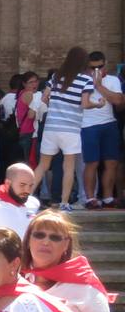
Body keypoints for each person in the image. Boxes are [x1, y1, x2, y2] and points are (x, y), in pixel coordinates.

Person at [33, 47, 90, 212]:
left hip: (51, 127)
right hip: (71, 129)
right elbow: (85, 104)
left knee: (42, 166)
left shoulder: (55, 77)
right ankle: (64, 202)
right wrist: (98, 104)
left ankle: (26, 199)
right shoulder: (86, 80)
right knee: (68, 166)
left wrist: (57, 107)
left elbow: (44, 98)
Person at [79, 51, 121, 209]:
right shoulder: (81, 80)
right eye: (92, 68)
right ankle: (90, 198)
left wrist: (98, 85)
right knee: (92, 163)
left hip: (109, 124)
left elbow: (117, 100)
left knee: (111, 162)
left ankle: (108, 197)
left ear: (105, 64)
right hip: (88, 125)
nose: (96, 70)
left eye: (100, 67)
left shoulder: (113, 80)